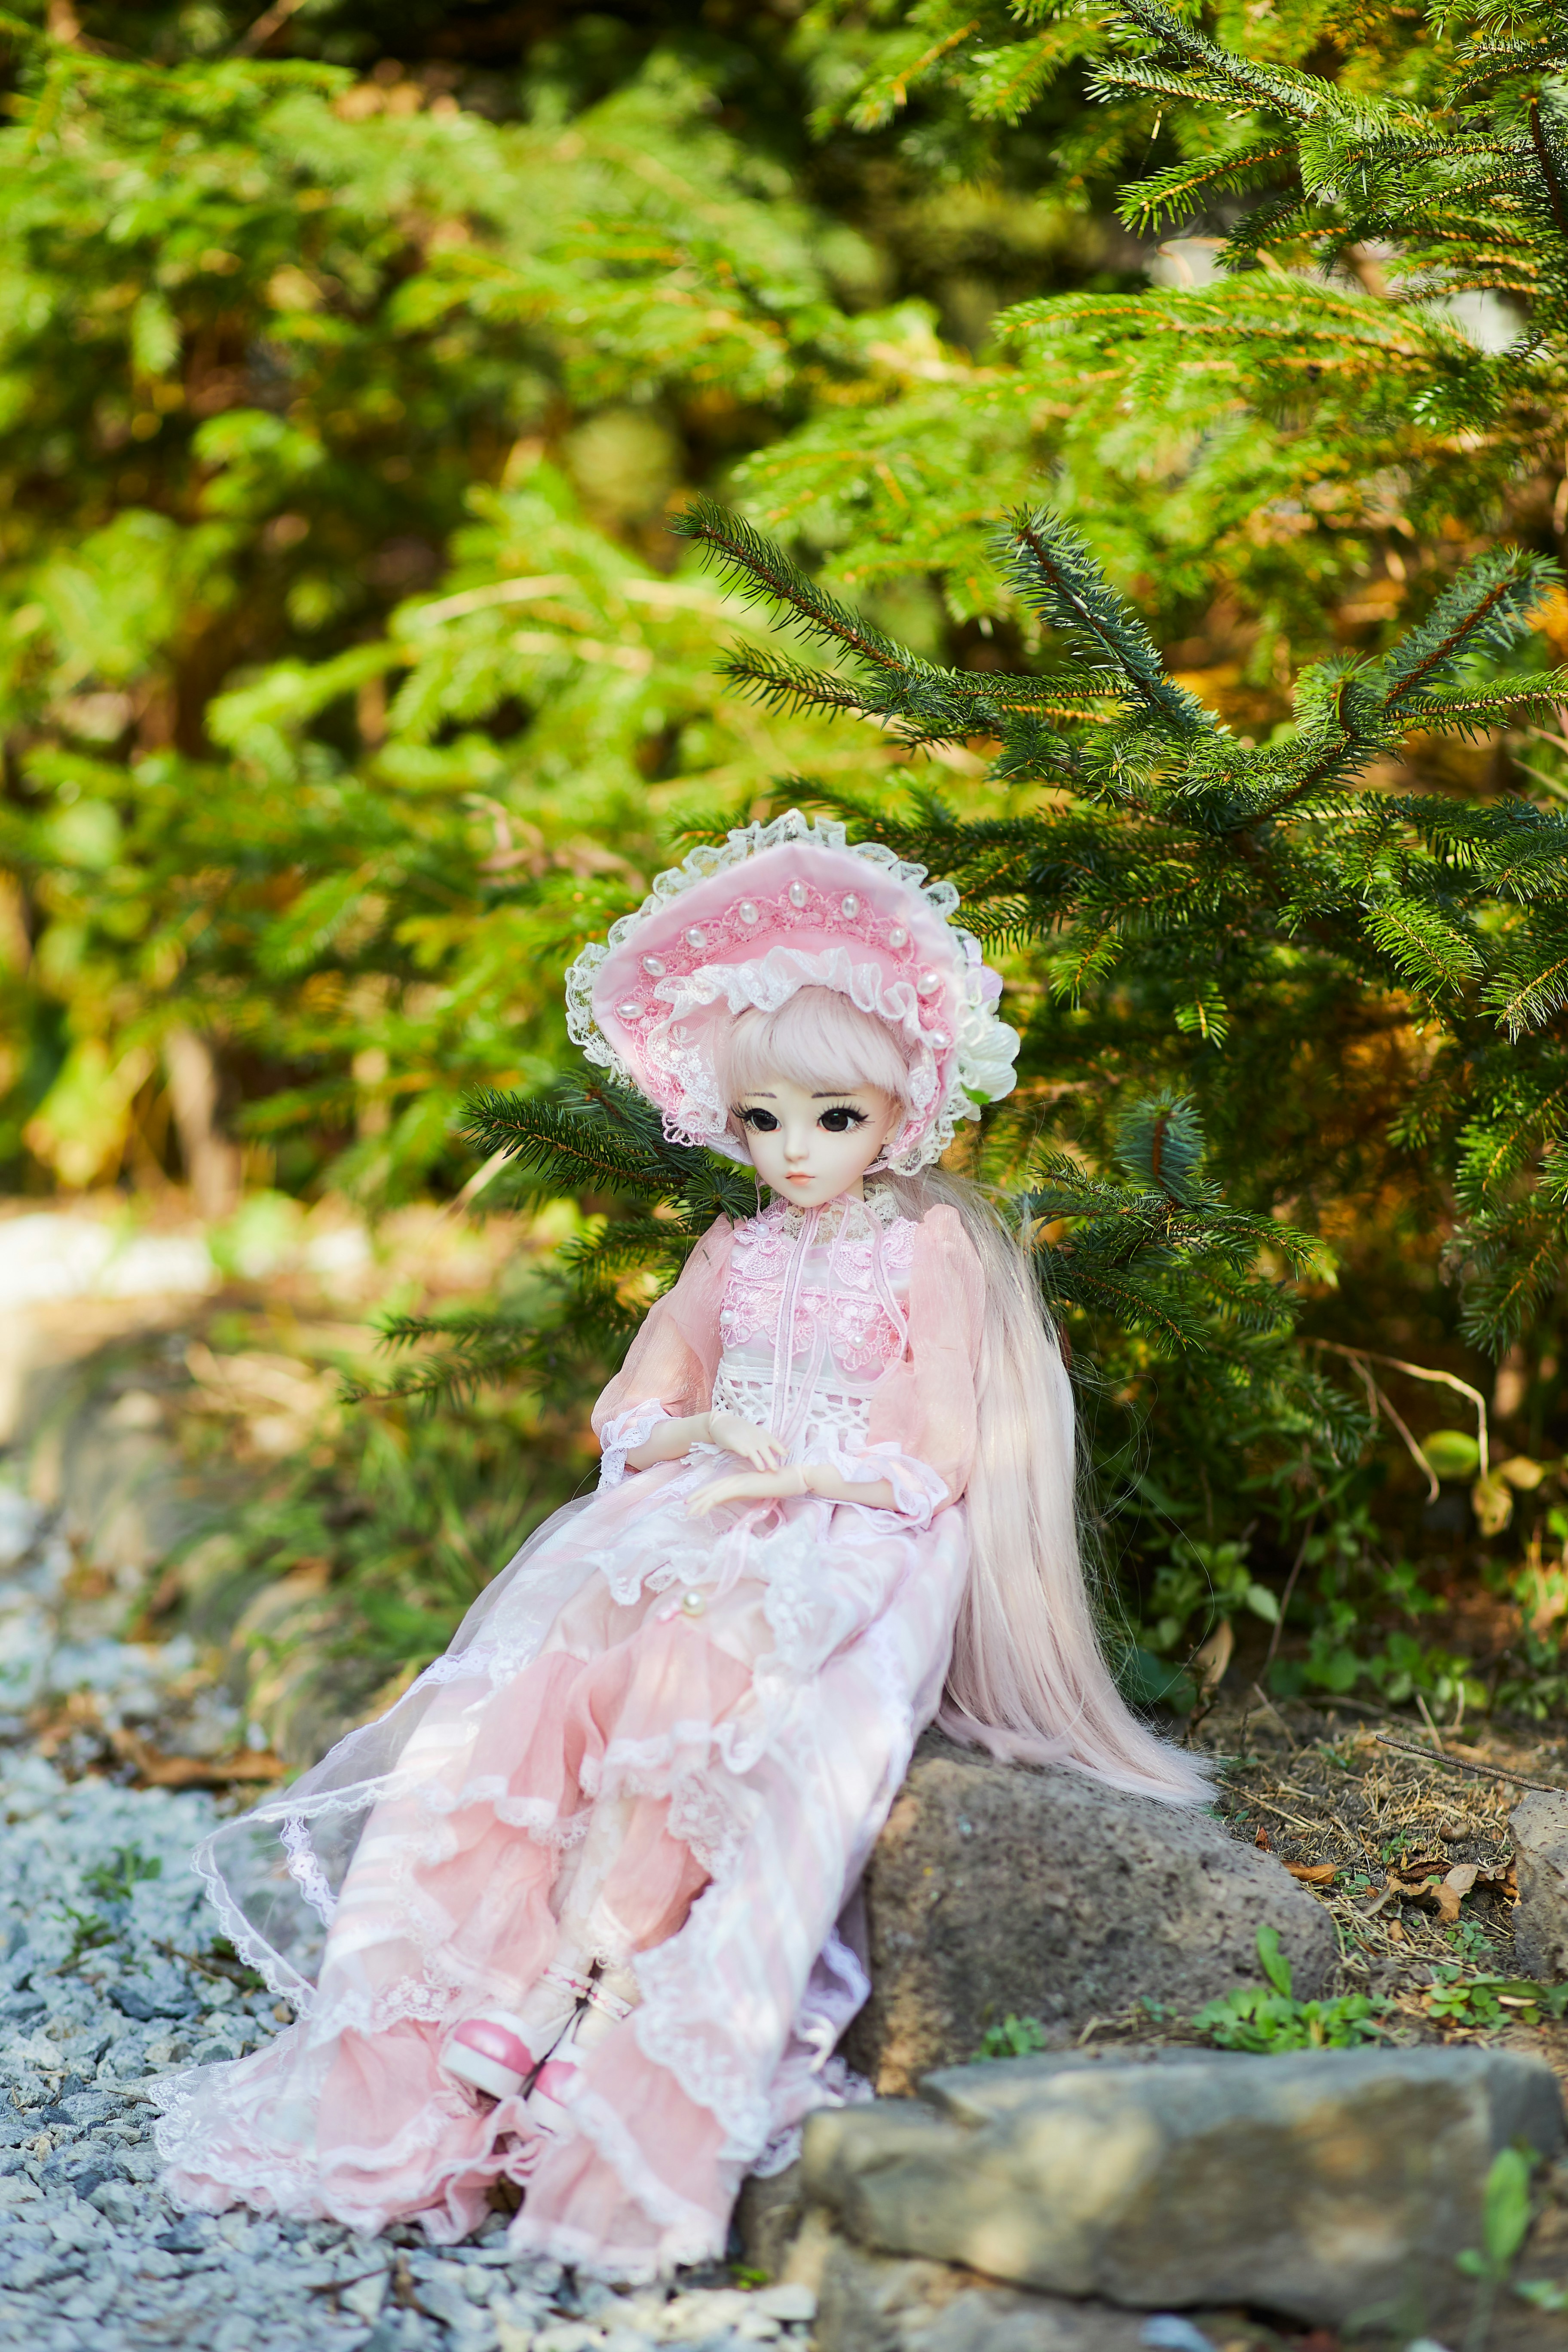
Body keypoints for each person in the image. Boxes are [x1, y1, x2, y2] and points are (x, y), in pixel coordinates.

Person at [153, 810, 1207, 2279]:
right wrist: (688, 1440)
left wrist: (808, 1467)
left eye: (834, 1119)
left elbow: (943, 1444)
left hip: (859, 1528)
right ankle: (528, 1987)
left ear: (900, 1110)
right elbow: (645, 1392)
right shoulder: (733, 1253)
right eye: (767, 1119)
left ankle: (607, 2001)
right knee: (555, 1673)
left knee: (717, 1679)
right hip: (712, 1502)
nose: (794, 1151)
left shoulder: (933, 1249)